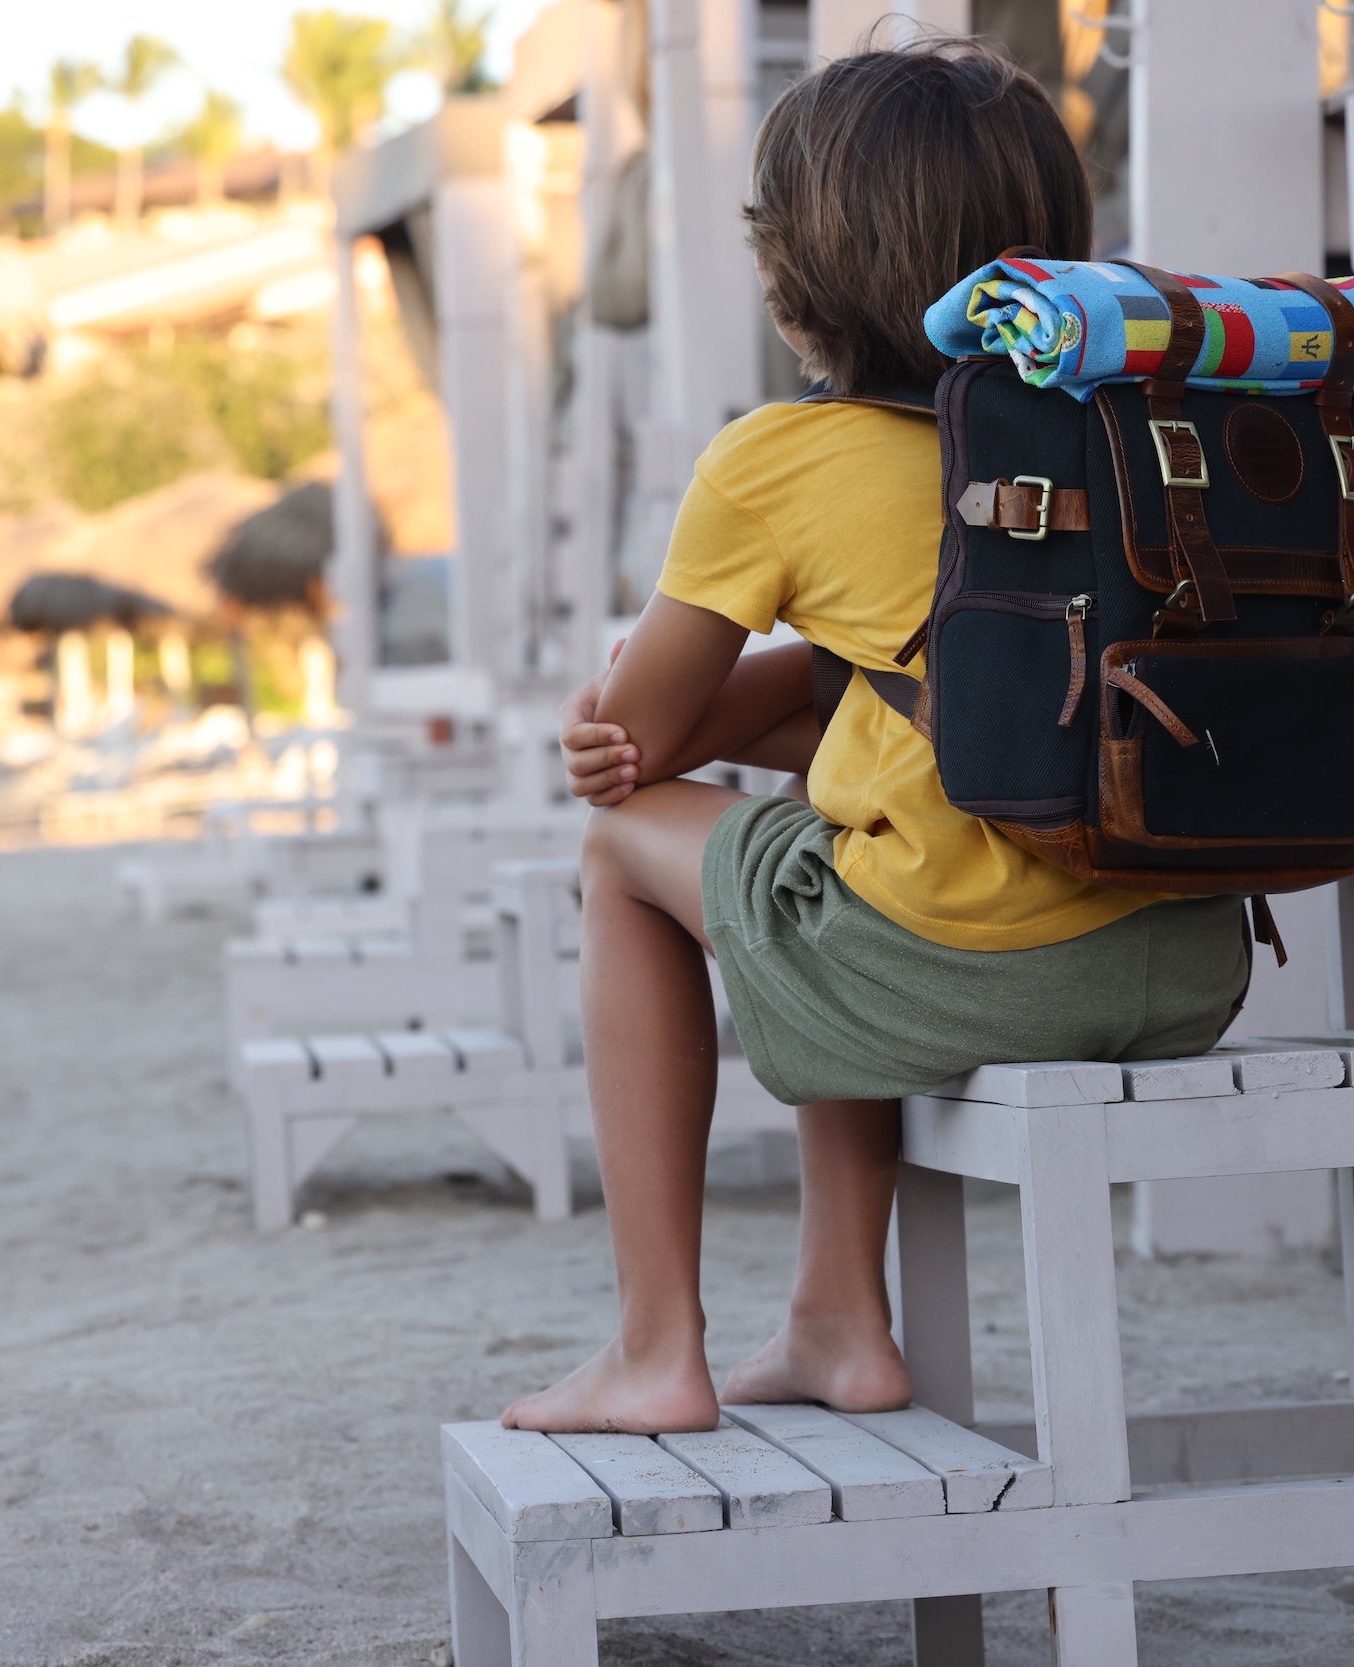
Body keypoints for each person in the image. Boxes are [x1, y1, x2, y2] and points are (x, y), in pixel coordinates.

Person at [501, 39, 1249, 1436]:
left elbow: (641, 744)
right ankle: (837, 1319)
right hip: (1185, 954)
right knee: (836, 840)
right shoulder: (1129, 424)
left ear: (793, 288)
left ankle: (657, 1347)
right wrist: (815, 673)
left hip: (977, 972)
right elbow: (912, 701)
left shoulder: (778, 461)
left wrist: (597, 716)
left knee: (623, 853)